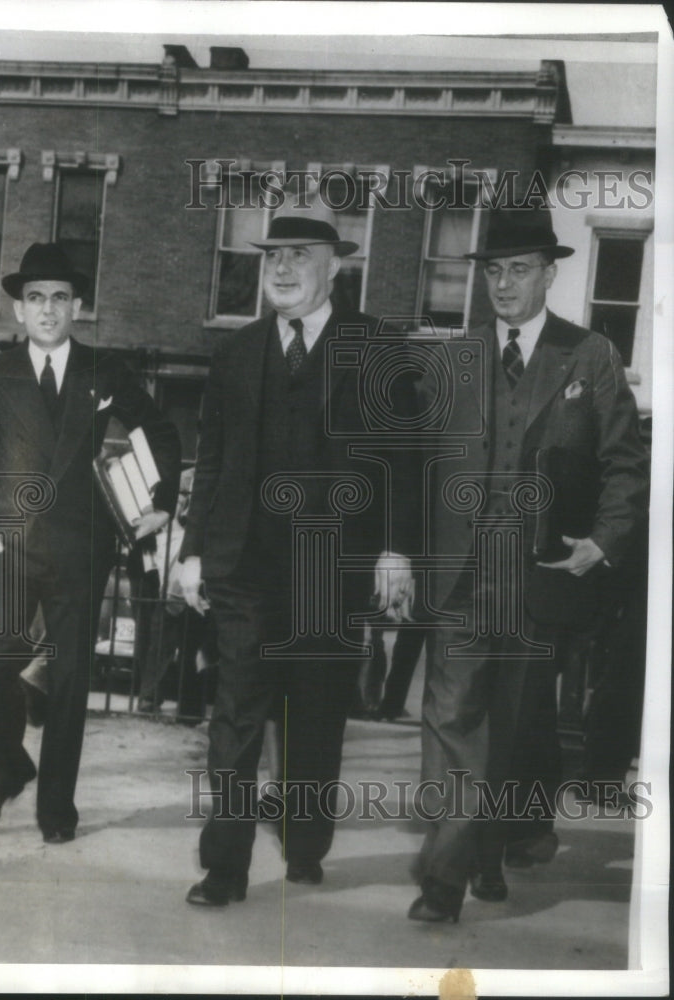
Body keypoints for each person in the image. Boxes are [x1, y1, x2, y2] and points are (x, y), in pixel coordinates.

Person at [408, 206, 648, 922]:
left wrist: (602, 540)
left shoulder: (589, 356)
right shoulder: (451, 359)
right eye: (492, 271)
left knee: (510, 731)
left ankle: (484, 852)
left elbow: (622, 463)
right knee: (451, 721)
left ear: (549, 273)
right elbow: (416, 468)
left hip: (538, 578)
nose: (503, 284)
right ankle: (442, 882)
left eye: (517, 270)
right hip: (459, 575)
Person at [179, 196, 415, 906]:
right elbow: (213, 461)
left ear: (336, 266)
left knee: (314, 715)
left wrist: (395, 550)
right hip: (246, 567)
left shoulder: (376, 347)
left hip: (331, 569)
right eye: (272, 256)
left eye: (299, 256)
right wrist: (192, 552)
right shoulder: (235, 352)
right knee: (236, 717)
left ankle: (306, 840)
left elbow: (403, 459)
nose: (282, 268)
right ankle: (224, 865)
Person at [0, 242, 180, 843]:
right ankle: (9, 766)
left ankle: (58, 809)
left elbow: (158, 428)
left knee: (72, 679)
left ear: (76, 306)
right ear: (19, 311)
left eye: (58, 298)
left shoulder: (104, 371)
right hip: (8, 542)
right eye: (34, 299)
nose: (47, 310)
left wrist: (159, 504)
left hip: (81, 546)